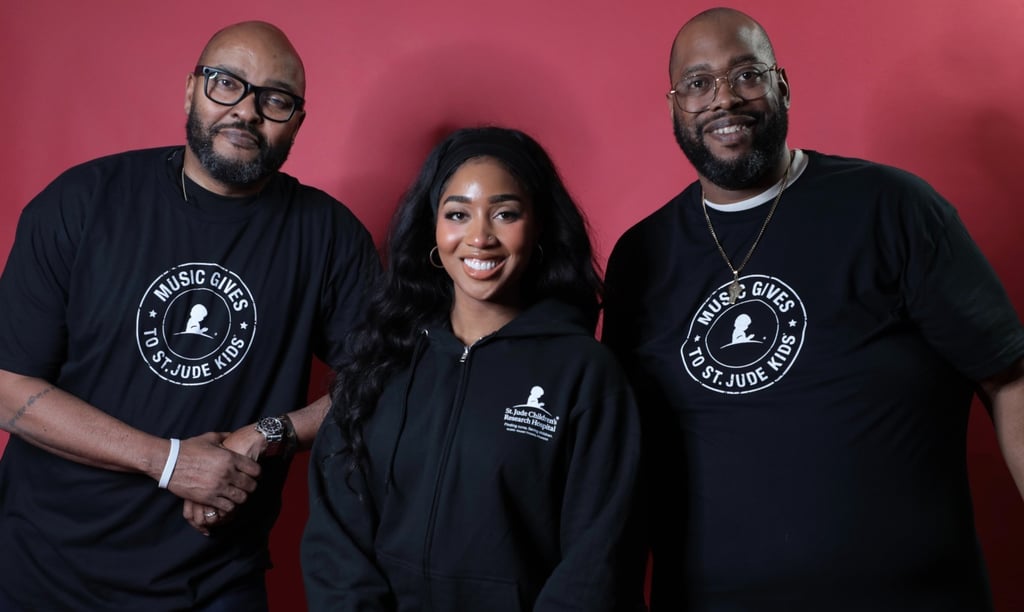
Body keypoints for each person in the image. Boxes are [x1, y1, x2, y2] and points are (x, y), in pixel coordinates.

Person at [602, 7, 1024, 611]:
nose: (724, 98)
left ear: (782, 85)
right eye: (698, 84)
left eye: (747, 74)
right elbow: (621, 454)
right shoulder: (641, 257)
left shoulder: (890, 208)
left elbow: (1010, 377)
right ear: (675, 106)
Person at [0, 21, 379, 610]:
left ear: (298, 122)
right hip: (43, 569)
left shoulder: (327, 236)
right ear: (190, 92)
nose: (247, 112)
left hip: (213, 579)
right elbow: (5, 386)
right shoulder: (82, 201)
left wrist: (271, 433)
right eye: (226, 83)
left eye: (275, 99)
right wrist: (169, 461)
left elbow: (388, 384)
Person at [302, 126, 645, 611]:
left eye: (505, 213)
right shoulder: (382, 358)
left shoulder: (585, 376)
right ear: (433, 230)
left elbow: (599, 560)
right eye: (458, 213)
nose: (480, 237)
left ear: (539, 227)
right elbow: (335, 537)